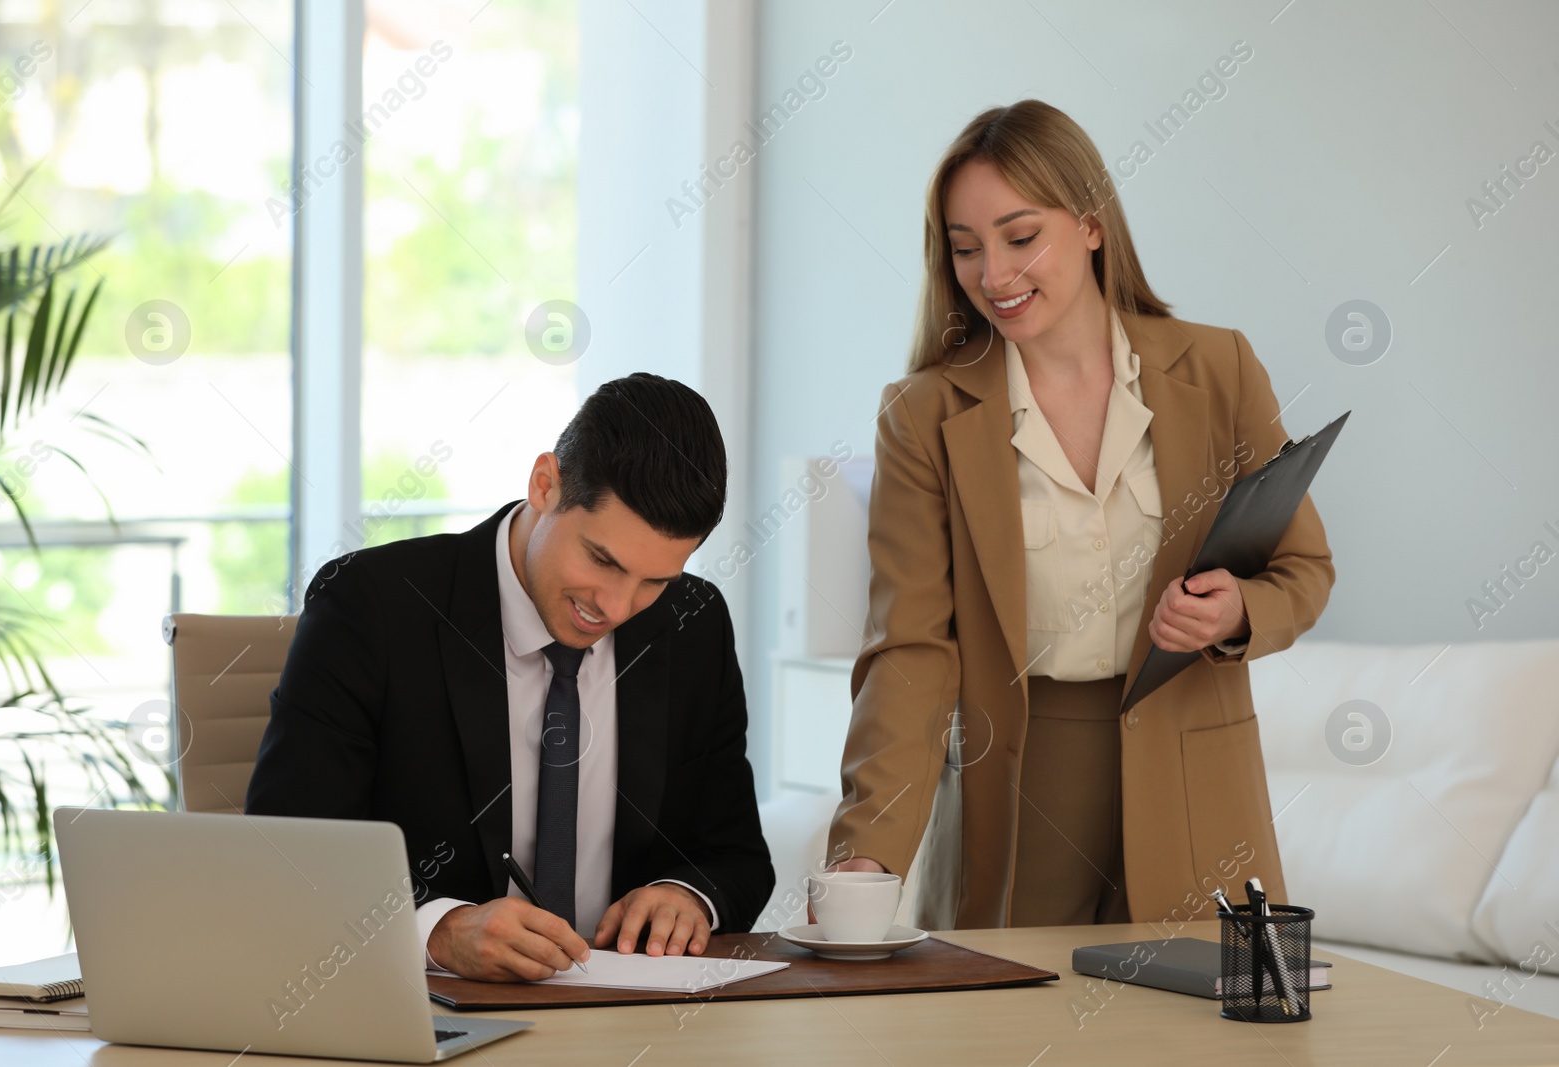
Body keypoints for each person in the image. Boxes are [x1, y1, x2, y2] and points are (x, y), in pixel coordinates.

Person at [827, 100, 1334, 929]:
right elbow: (911, 650)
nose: (993, 274)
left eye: (1021, 238)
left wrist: (1238, 609)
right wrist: (866, 849)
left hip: (1196, 774)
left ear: (1092, 225)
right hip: (1024, 783)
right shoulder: (923, 415)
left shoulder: (1218, 368)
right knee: (1015, 1039)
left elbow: (1304, 570)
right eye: (965, 249)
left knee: (1199, 1044)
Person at [246, 373, 773, 980]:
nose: (618, 607)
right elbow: (286, 855)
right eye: (602, 560)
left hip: (628, 1017)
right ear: (545, 485)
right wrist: (435, 931)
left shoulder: (693, 624)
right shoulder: (372, 607)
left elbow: (735, 853)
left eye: (655, 581)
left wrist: (689, 895)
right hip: (432, 1013)